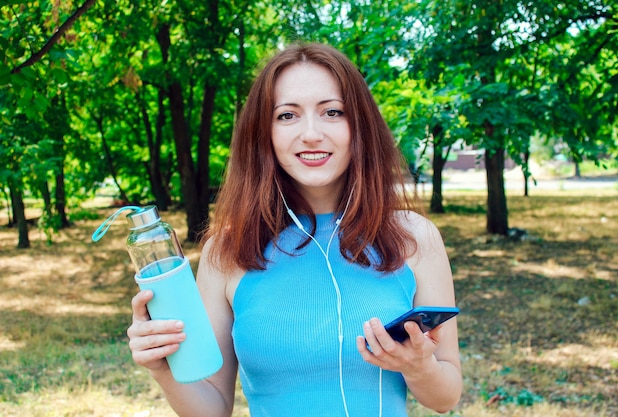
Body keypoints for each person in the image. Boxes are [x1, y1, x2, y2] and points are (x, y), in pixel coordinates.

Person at [127, 42, 462, 417]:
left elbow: (446, 398)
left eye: (332, 112)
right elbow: (213, 408)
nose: (311, 134)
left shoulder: (415, 237)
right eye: (287, 116)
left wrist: (420, 367)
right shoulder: (226, 250)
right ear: (263, 132)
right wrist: (164, 369)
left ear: (359, 126)